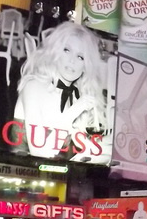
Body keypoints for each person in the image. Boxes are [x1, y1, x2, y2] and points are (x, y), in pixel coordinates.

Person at [13, 23, 109, 161]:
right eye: (67, 50)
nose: (72, 61)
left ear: (85, 66)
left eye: (80, 57)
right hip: (21, 175)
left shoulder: (76, 95)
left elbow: (81, 147)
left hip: (58, 178)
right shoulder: (34, 87)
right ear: (55, 52)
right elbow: (40, 153)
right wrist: (77, 109)